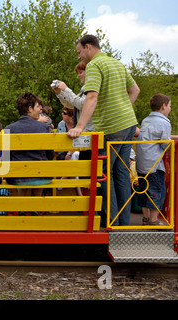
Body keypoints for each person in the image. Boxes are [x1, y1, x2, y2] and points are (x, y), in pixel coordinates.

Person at [68, 34, 140, 227]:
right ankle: (123, 222)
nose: (79, 57)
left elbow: (91, 97)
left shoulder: (94, 65)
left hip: (111, 127)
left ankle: (112, 222)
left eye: (79, 52)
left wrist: (79, 127)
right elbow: (135, 90)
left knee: (104, 174)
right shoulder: (116, 63)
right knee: (121, 174)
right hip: (128, 124)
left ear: (88, 47)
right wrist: (123, 109)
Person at [5, 93, 55, 200]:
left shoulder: (8, 129)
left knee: (22, 174)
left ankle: (22, 209)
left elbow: (5, 157)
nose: (39, 110)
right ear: (30, 109)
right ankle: (36, 209)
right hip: (42, 176)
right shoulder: (43, 128)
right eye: (37, 107)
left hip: (16, 178)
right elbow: (50, 155)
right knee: (39, 172)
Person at [136, 94, 173, 225]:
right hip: (154, 165)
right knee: (157, 190)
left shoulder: (146, 120)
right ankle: (154, 220)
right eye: (169, 106)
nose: (170, 109)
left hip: (141, 163)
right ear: (163, 106)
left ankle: (146, 217)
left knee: (143, 190)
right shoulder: (164, 122)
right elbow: (165, 144)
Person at [52, 61, 95, 160]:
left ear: (88, 72)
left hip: (90, 135)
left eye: (80, 72)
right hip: (86, 136)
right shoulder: (84, 88)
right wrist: (60, 93)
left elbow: (82, 105)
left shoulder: (91, 88)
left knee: (87, 170)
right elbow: (72, 104)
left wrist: (66, 89)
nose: (78, 76)